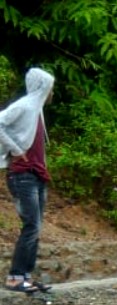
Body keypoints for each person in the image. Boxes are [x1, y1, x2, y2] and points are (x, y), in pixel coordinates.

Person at [0, 67, 56, 293]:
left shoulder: (37, 110)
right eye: (50, 87)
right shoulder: (24, 105)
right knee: (31, 225)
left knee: (35, 226)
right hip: (22, 174)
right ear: (43, 87)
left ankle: (25, 275)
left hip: (36, 173)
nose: (52, 92)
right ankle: (14, 277)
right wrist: (15, 149)